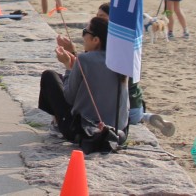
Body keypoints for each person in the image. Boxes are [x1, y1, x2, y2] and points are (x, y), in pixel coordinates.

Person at [73, 4, 175, 136]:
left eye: (101, 16)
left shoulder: (100, 53)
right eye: (97, 16)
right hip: (134, 104)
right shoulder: (124, 48)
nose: (97, 19)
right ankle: (145, 116)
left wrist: (72, 66)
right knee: (134, 108)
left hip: (117, 113)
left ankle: (144, 116)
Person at [37, 16, 130, 152]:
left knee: (49, 76)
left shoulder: (84, 59)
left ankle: (57, 124)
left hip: (87, 132)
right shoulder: (121, 60)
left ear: (96, 40)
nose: (83, 36)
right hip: (118, 132)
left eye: (85, 32)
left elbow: (69, 97)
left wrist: (68, 66)